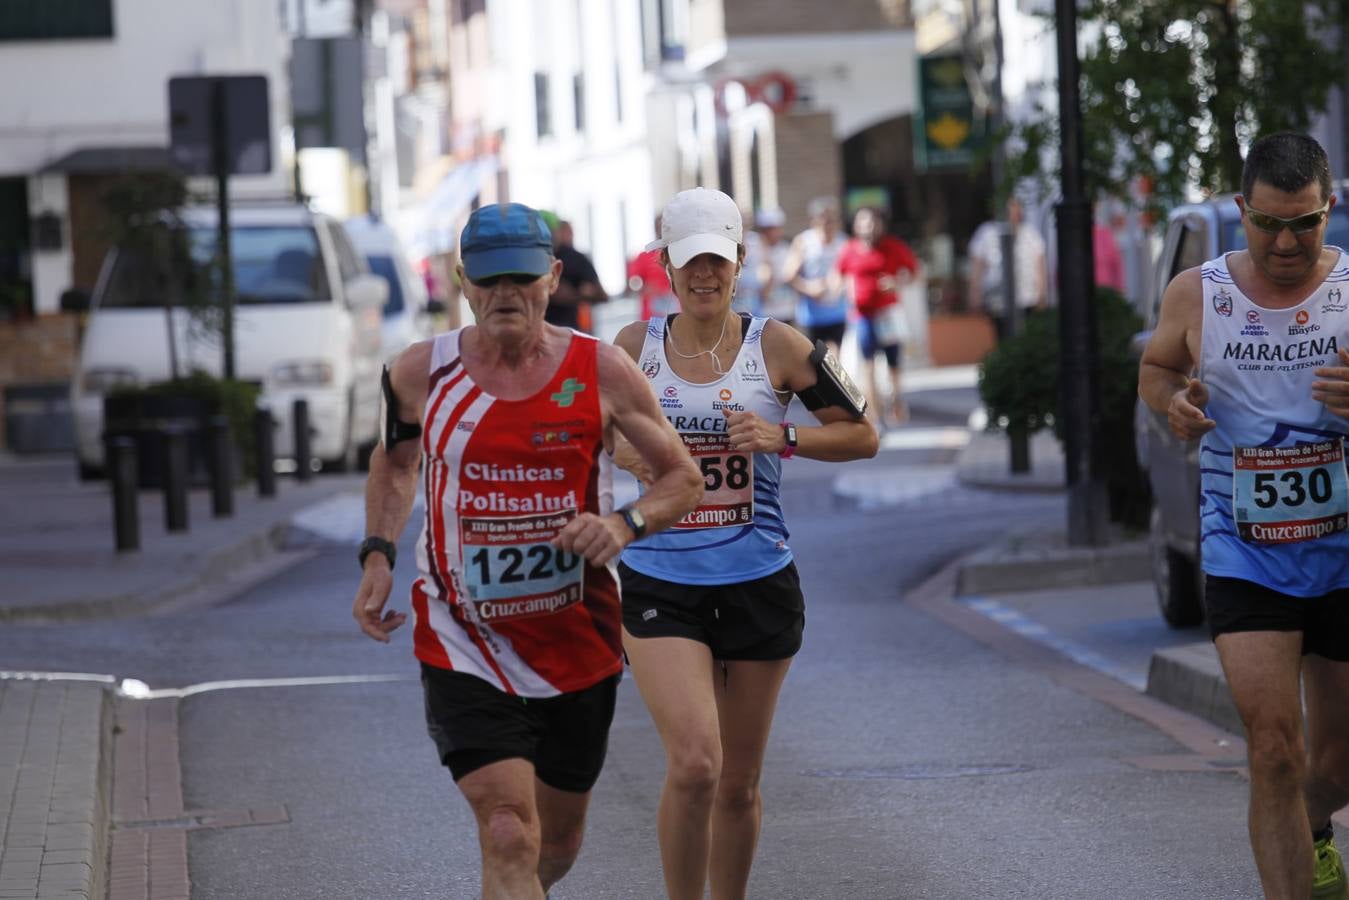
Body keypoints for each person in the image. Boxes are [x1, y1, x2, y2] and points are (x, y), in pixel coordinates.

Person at [352, 202, 703, 900]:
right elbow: (394, 466)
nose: (503, 294)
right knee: (509, 829)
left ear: (551, 277)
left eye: (520, 278)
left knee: (557, 840)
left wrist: (623, 525)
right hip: (462, 635)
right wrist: (377, 555)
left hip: (578, 635)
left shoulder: (600, 370)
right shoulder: (420, 373)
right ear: (462, 281)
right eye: (487, 280)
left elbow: (682, 480)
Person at [611, 187, 879, 900]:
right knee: (696, 764)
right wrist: (629, 454)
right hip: (659, 576)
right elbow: (592, 430)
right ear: (666, 266)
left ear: (737, 266)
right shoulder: (633, 349)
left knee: (737, 783)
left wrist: (782, 434)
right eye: (689, 262)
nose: (704, 275)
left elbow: (862, 434)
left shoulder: (779, 346)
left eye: (717, 262)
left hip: (757, 576)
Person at [1138, 131, 1349, 900]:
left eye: (1304, 223)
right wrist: (1173, 403)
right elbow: (1156, 367)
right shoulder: (1198, 292)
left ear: (1329, 209)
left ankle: (1308, 829)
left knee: (1333, 766)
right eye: (1267, 224)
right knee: (1272, 750)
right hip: (1243, 550)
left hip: (1343, 551)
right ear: (1240, 211)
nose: (1285, 242)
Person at [835, 206, 919, 427]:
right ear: (856, 226)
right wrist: (841, 290)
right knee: (868, 363)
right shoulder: (850, 249)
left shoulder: (893, 246)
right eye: (863, 222)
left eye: (872, 222)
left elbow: (913, 272)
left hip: (888, 314)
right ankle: (875, 414)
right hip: (862, 315)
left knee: (893, 362)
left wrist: (896, 283)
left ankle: (896, 402)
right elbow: (838, 275)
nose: (868, 227)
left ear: (880, 225)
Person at [967, 195, 1048, 341]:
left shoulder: (1030, 233)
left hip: (1027, 297)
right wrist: (975, 292)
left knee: (1026, 337)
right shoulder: (987, 232)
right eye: (1011, 207)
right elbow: (978, 266)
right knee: (1004, 337)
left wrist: (1041, 293)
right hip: (998, 300)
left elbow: (1039, 264)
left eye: (1017, 207)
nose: (1015, 212)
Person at [784, 196, 849, 356]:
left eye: (831, 219)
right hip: (811, 315)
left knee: (836, 361)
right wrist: (809, 287)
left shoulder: (844, 242)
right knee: (815, 361)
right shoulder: (804, 241)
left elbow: (851, 273)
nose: (828, 224)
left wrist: (841, 284)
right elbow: (788, 275)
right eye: (824, 219)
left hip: (838, 311)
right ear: (814, 220)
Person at [545, 218, 606, 332]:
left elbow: (602, 295)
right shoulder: (533, 259)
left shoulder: (576, 259)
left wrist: (573, 295)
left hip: (572, 330)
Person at [743, 207, 796, 326]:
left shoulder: (787, 248)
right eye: (767, 229)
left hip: (786, 310)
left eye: (776, 228)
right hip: (761, 313)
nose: (772, 233)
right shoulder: (753, 247)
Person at [627, 215, 677, 320]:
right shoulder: (644, 256)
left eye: (664, 227)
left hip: (677, 311)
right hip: (651, 316)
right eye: (659, 226)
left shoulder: (679, 253)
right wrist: (643, 288)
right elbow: (633, 282)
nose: (661, 230)